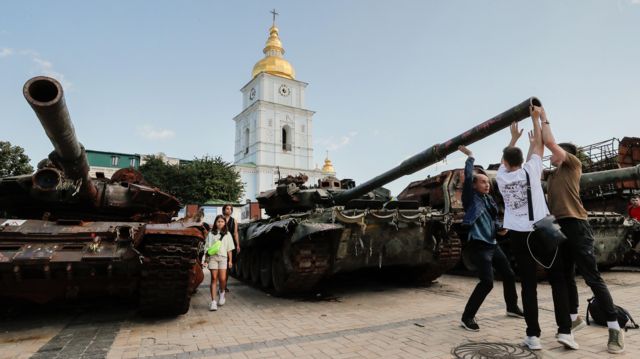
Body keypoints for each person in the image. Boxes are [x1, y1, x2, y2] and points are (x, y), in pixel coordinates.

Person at [540, 106, 625, 354]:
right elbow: (542, 148)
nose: (550, 156)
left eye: (554, 153)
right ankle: (575, 319)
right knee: (566, 276)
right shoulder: (553, 175)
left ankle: (614, 329)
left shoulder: (573, 165)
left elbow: (550, 142)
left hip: (577, 224)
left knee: (592, 278)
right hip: (559, 226)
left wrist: (543, 118)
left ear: (564, 154)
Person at [496, 110, 577, 351]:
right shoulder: (531, 170)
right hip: (542, 230)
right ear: (523, 161)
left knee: (528, 285)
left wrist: (513, 139)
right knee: (558, 280)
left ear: (506, 163)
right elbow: (540, 146)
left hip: (519, 235)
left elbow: (506, 160)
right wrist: (535, 121)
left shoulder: (501, 178)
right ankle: (565, 332)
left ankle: (533, 336)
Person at [457, 145, 524, 332]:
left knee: (509, 274)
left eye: (488, 182)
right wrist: (470, 156)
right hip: (479, 245)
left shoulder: (489, 200)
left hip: (492, 244)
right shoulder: (471, 199)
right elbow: (469, 176)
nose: (487, 184)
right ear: (474, 185)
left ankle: (512, 307)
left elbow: (493, 220)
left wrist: (499, 229)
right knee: (487, 282)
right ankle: (467, 317)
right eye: (482, 182)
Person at [203, 214, 235, 311]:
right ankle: (213, 302)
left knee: (222, 279)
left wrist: (230, 260)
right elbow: (207, 248)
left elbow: (229, 249)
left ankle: (222, 293)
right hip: (213, 258)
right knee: (213, 278)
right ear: (215, 223)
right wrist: (206, 260)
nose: (220, 223)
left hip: (223, 258)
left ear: (224, 223)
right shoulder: (211, 233)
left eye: (222, 221)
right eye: (218, 221)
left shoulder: (227, 234)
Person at [222, 204, 240, 292]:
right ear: (224, 210)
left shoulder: (234, 221)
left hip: (230, 245)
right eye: (227, 208)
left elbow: (235, 233)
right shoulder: (220, 219)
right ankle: (222, 285)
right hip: (221, 244)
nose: (229, 210)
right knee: (222, 266)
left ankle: (224, 286)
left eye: (230, 209)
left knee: (228, 267)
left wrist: (237, 245)